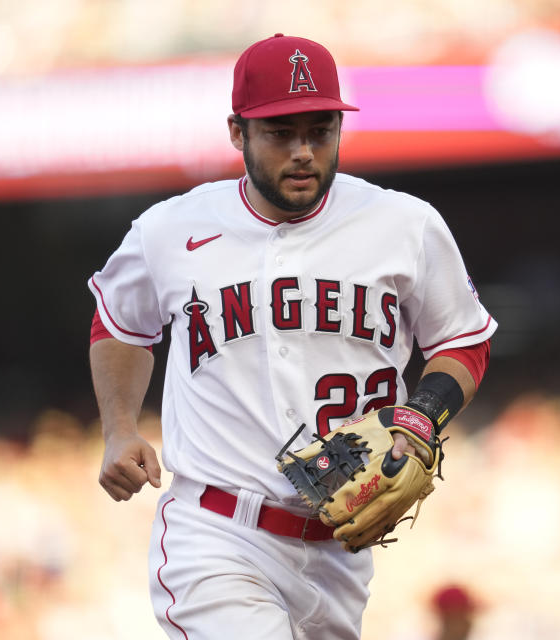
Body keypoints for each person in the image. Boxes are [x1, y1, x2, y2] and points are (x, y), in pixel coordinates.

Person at [87, 33, 497, 640]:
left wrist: (421, 416)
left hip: (341, 551)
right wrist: (119, 427)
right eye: (281, 133)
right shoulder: (172, 229)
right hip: (218, 533)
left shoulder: (402, 224)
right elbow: (119, 322)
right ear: (237, 132)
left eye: (321, 129)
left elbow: (464, 339)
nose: (304, 151)